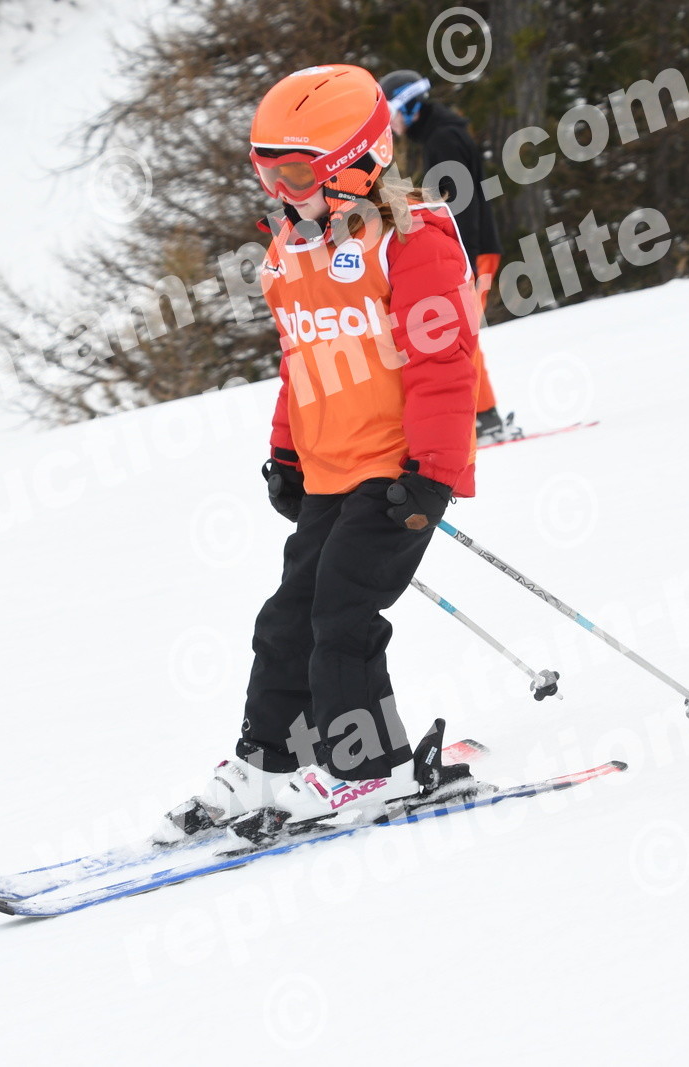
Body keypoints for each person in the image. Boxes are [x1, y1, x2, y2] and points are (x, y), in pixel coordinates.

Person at [155, 64, 480, 844]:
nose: (278, 192)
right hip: (332, 470)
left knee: (342, 610)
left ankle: (370, 765)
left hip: (399, 472)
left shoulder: (412, 241)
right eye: (265, 173)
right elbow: (301, 360)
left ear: (355, 164)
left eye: (294, 175)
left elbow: (444, 365)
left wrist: (432, 475)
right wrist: (287, 452)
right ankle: (270, 761)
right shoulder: (292, 248)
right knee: (287, 619)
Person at [379, 68, 519, 445]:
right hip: (473, 249)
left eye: (390, 113)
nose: (389, 124)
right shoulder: (440, 134)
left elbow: (462, 207)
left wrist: (462, 263)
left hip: (473, 251)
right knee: (459, 333)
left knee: (459, 335)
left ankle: (485, 421)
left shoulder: (443, 139)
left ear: (409, 108)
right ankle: (482, 418)